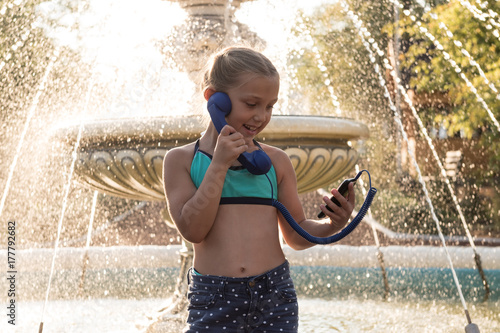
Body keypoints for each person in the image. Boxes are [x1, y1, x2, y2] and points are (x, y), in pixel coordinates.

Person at [162, 46, 355, 333]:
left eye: (269, 106)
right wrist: (219, 165)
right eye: (251, 104)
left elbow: (297, 234)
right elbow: (193, 230)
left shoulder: (276, 162)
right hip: (215, 296)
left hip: (273, 294)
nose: (261, 116)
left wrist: (332, 224)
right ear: (214, 100)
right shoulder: (181, 160)